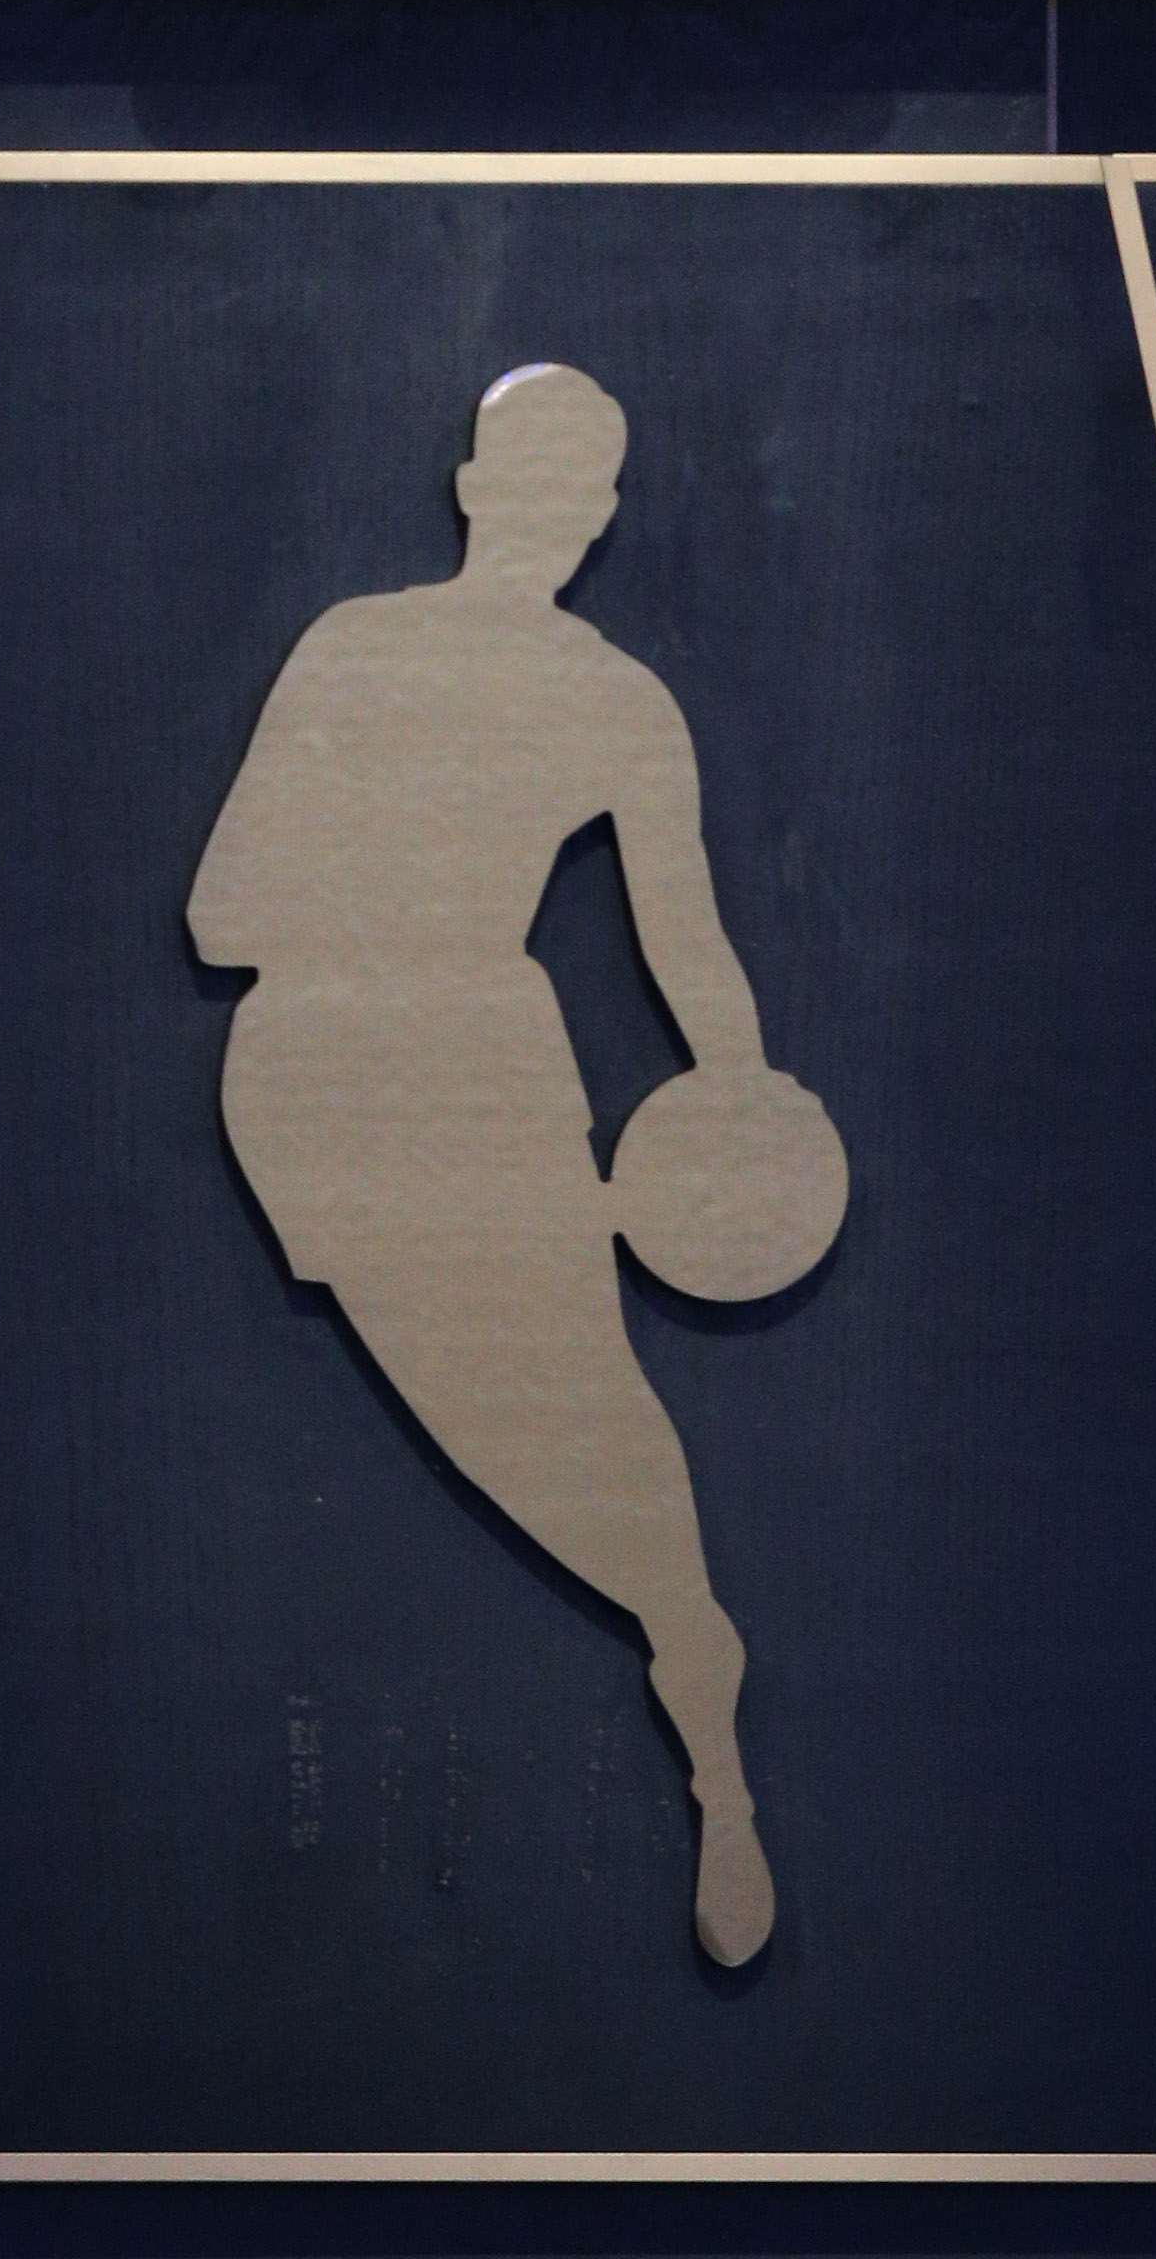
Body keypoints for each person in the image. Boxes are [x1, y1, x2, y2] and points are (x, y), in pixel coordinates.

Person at [187, 364, 840, 1968]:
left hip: (432, 1064)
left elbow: (693, 961)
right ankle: (691, 1653)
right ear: (544, 506)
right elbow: (217, 914)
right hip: (366, 1078)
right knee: (546, 1421)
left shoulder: (416, 660)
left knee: (574, 1412)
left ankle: (698, 1684)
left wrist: (738, 1113)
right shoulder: (545, 688)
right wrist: (734, 1089)